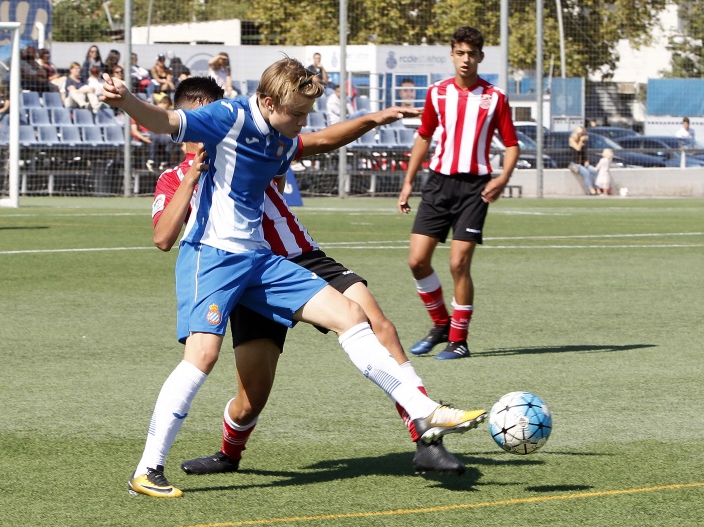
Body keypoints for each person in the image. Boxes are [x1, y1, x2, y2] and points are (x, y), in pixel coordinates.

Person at [101, 60, 487, 498]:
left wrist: (370, 119)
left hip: (260, 259)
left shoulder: (279, 136)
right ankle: (147, 469)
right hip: (212, 257)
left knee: (351, 314)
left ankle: (424, 410)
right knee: (203, 357)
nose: (302, 123)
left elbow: (319, 141)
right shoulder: (229, 116)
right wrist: (127, 100)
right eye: (298, 114)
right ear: (269, 102)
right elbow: (167, 120)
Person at [397, 26, 520, 360]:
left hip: (474, 189)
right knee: (417, 260)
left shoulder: (495, 97)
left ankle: (459, 341)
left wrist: (503, 178)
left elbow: (511, 144)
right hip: (437, 184)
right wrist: (409, 182)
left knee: (458, 263)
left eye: (472, 54)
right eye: (460, 53)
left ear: (480, 57)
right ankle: (440, 325)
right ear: (452, 55)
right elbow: (423, 136)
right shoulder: (437, 93)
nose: (466, 60)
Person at [568, 125, 600, 195]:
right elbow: (577, 148)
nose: (581, 135)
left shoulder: (583, 141)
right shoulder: (572, 139)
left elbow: (584, 152)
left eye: (583, 134)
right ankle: (591, 190)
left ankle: (597, 188)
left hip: (582, 163)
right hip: (575, 163)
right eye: (580, 134)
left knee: (595, 172)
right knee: (586, 173)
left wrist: (586, 160)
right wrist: (581, 141)